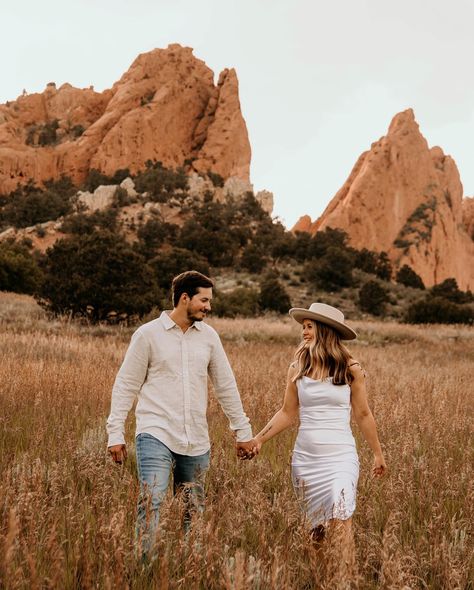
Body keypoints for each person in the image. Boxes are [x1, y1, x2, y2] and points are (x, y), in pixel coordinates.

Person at [106, 270, 255, 557]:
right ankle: (145, 570)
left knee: (194, 510)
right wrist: (115, 432)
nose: (208, 307)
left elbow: (226, 386)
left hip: (196, 438)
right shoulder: (148, 335)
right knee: (152, 501)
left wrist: (242, 431)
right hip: (155, 432)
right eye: (204, 300)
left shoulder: (209, 338)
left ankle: (190, 567)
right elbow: (125, 385)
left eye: (209, 301)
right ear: (184, 298)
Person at [252, 302, 386, 546]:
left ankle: (346, 579)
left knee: (341, 512)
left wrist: (378, 454)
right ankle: (321, 579)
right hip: (306, 459)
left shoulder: (350, 369)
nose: (304, 332)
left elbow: (364, 414)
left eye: (309, 326)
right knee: (316, 532)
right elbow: (286, 412)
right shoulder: (297, 368)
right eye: (303, 327)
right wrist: (259, 439)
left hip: (341, 457)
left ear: (324, 330)